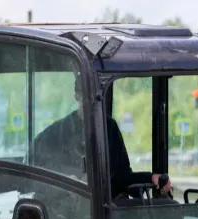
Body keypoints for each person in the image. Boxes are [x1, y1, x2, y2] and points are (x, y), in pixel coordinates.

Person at [32, 75, 172, 199]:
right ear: (77, 96)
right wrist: (66, 182)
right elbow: (37, 178)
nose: (92, 101)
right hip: (68, 215)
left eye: (96, 96)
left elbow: (123, 177)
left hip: (106, 211)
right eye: (86, 96)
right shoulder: (55, 134)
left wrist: (151, 177)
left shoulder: (110, 129)